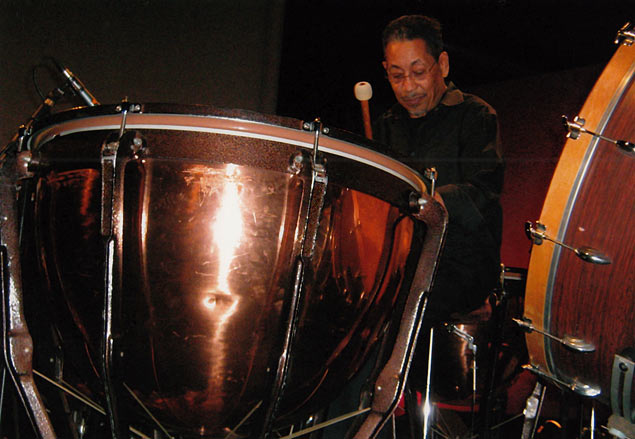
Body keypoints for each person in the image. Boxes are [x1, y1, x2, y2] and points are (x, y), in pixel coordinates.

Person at [374, 14, 504, 323]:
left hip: (460, 266)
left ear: (442, 65)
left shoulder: (476, 116)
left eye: (418, 72)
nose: (408, 87)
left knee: (400, 306)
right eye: (397, 76)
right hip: (401, 265)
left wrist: (430, 201)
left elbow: (484, 189)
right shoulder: (385, 126)